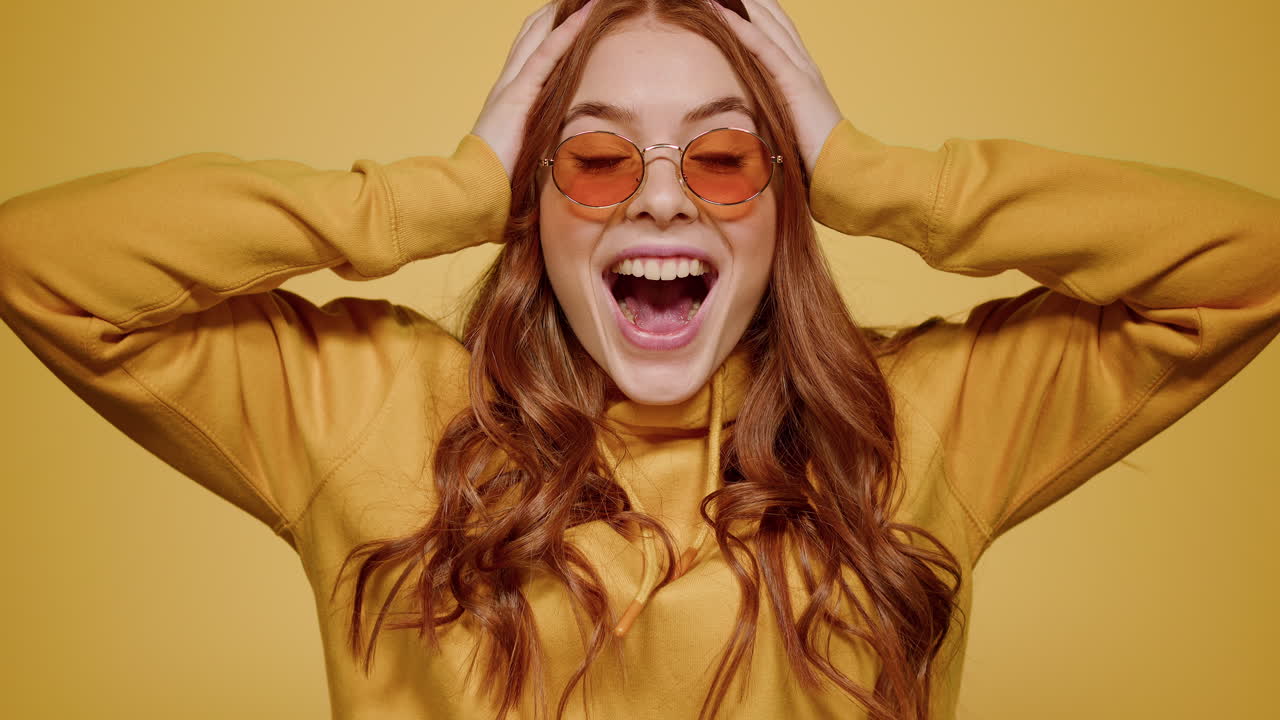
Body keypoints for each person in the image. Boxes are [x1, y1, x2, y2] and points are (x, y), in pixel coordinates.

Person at [0, 0, 1276, 718]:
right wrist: (429, 194)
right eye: (598, 159)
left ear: (783, 207)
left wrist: (873, 176)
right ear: (532, 209)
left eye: (721, 159)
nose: (660, 203)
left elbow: (1246, 264)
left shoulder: (916, 423)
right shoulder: (374, 414)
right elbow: (42, 260)